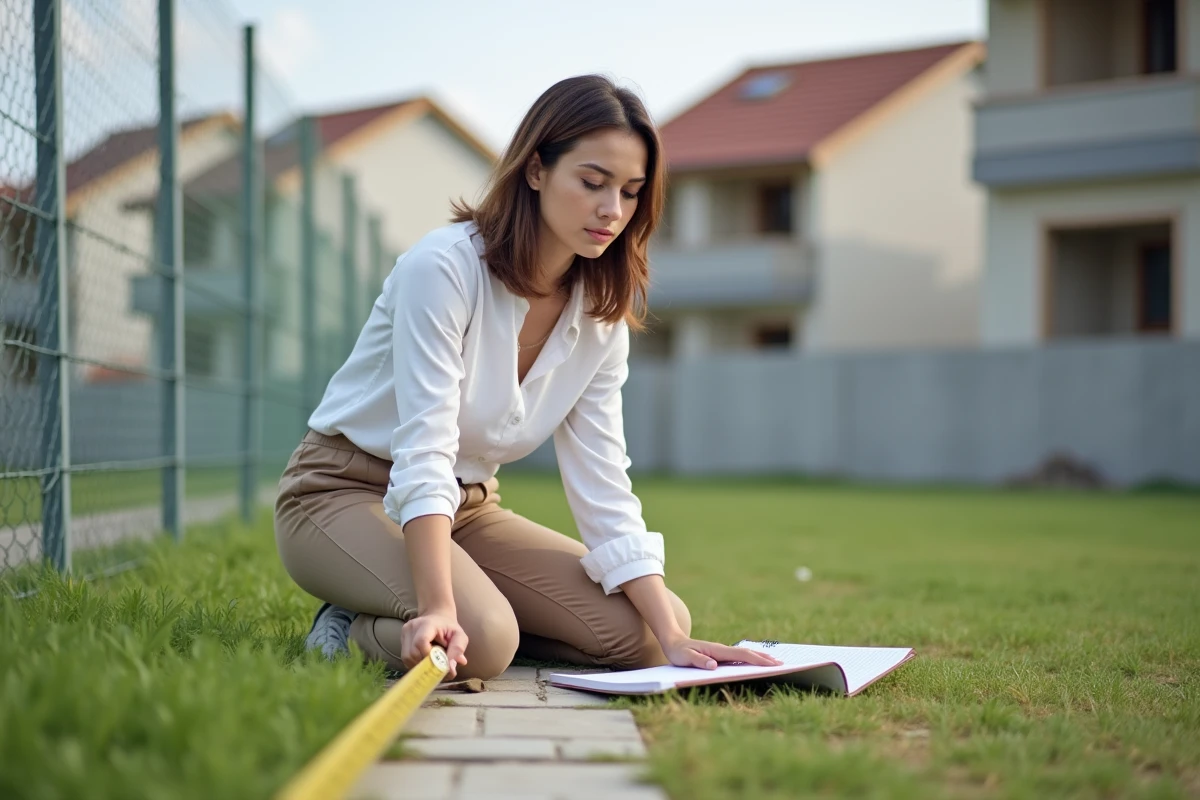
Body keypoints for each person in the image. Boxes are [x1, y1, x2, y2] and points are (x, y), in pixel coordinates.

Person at [274, 74, 783, 681]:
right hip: (341, 493)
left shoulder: (600, 316)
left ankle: (451, 605)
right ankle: (350, 627)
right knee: (486, 640)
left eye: (630, 192)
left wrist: (674, 637)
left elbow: (602, 482)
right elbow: (425, 448)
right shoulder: (443, 270)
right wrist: (439, 604)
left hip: (466, 509)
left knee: (649, 630)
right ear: (535, 170)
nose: (611, 210)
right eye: (592, 183)